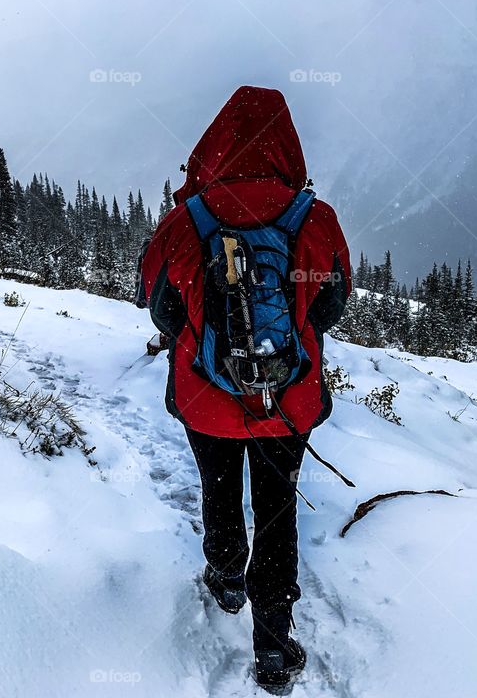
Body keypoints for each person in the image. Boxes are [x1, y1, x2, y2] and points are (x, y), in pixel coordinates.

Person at [136, 87, 351, 691]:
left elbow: (160, 308)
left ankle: (227, 576)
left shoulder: (187, 220)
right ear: (287, 144)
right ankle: (275, 650)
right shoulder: (315, 219)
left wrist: (211, 342)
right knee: (278, 510)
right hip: (288, 403)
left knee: (220, 486)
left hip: (207, 399)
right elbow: (331, 304)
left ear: (216, 143)